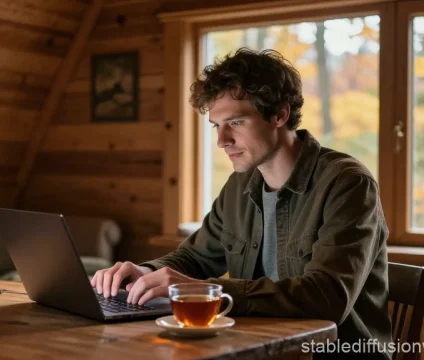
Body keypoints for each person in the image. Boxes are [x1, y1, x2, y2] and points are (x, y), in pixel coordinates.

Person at [91, 48, 392, 359]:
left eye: (235, 122)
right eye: (216, 126)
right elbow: (194, 258)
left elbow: (327, 297)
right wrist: (144, 272)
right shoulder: (241, 184)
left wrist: (208, 293)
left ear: (279, 114)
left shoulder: (347, 183)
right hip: (260, 349)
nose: (222, 140)